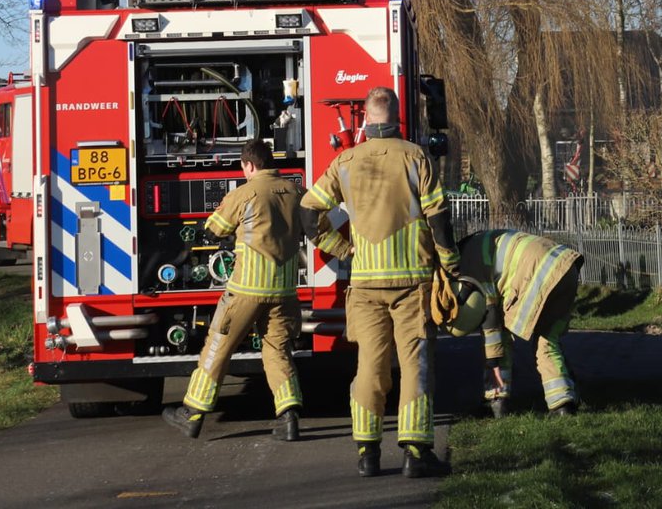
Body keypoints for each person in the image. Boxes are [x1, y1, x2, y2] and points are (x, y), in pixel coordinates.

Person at [301, 86, 460, 479]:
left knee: (370, 367)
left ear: (367, 120)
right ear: (397, 117)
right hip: (412, 283)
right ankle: (415, 453)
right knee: (415, 365)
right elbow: (438, 218)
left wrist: (340, 248)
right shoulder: (416, 156)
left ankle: (367, 453)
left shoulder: (345, 161)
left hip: (366, 284)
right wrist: (450, 264)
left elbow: (308, 211)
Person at [163, 139, 305, 440]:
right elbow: (320, 228)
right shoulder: (296, 192)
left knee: (219, 345)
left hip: (246, 291)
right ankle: (289, 416)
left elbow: (214, 229)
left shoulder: (243, 193)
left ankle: (192, 412)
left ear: (249, 165)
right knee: (277, 351)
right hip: (284, 292)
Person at [453, 228, 584, 418]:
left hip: (538, 274)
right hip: (566, 267)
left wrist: (492, 357)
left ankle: (496, 400)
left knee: (501, 337)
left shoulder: (469, 262)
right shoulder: (484, 240)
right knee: (548, 340)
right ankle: (563, 403)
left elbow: (490, 317)